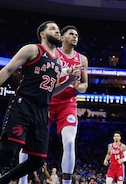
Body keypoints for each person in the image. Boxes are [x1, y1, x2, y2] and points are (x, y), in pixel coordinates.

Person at [0, 21, 81, 184]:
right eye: (53, 29)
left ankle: (1, 182)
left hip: (42, 111)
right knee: (9, 150)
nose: (58, 32)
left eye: (59, 30)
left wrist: (69, 82)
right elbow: (8, 69)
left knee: (38, 160)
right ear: (43, 34)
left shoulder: (58, 62)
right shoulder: (32, 49)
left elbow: (51, 92)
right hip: (23, 104)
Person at [20, 25, 89, 184]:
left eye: (77, 34)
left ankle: (66, 182)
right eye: (71, 34)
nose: (75, 36)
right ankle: (22, 180)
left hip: (68, 103)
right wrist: (67, 75)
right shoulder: (52, 53)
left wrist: (77, 85)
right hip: (47, 101)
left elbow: (85, 86)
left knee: (70, 142)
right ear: (62, 38)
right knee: (28, 140)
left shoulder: (82, 59)